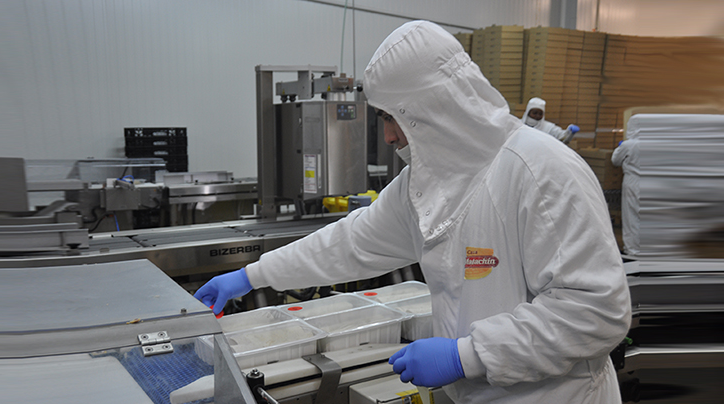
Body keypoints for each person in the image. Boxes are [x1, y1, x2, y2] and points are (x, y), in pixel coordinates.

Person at [195, 21, 631, 403]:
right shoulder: (426, 183)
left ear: (430, 110)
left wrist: (466, 355)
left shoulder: (539, 171)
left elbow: (595, 313)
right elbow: (349, 242)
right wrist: (253, 275)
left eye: (391, 118)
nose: (387, 136)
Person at [611, 117, 640, 256]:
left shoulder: (628, 145)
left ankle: (633, 250)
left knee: (631, 216)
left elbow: (615, 161)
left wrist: (620, 147)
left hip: (633, 182)